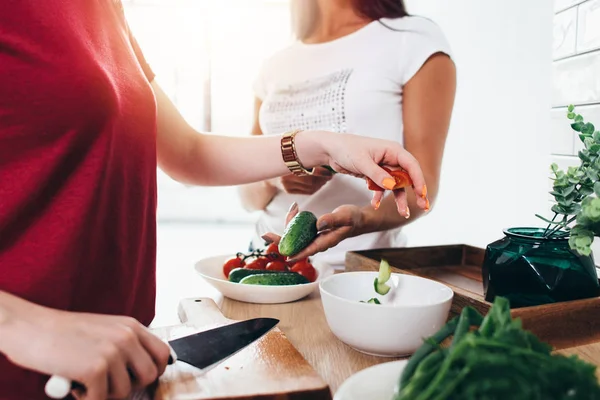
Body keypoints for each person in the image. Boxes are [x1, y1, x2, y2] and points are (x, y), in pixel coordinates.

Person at [0, 1, 430, 399]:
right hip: (22, 368)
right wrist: (22, 326)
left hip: (119, 366)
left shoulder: (104, 8)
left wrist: (319, 145)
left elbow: (189, 153)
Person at [239, 0, 456, 268]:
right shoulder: (275, 64)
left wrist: (361, 219)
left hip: (358, 272)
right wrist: (275, 179)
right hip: (266, 262)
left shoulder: (412, 41)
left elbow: (423, 187)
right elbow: (246, 196)